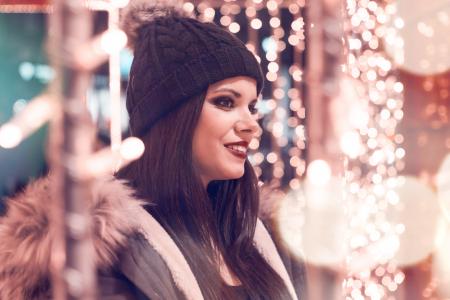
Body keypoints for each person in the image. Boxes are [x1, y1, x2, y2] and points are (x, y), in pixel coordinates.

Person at [0, 2, 304, 299]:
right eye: (226, 102)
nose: (251, 125)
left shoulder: (259, 236)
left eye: (251, 107)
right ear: (172, 116)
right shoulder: (103, 250)